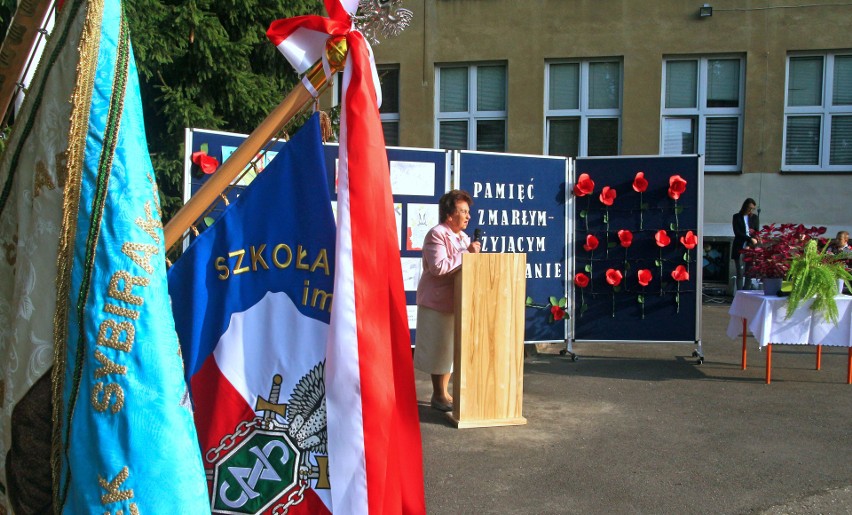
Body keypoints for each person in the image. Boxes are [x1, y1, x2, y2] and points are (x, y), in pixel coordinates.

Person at [413, 189, 481, 412]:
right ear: (449, 215)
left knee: (450, 350)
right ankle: (438, 394)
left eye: (468, 212)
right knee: (438, 350)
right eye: (463, 211)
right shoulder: (436, 234)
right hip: (436, 301)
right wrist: (467, 255)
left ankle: (444, 393)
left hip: (457, 301)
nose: (468, 216)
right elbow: (438, 267)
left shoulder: (463, 237)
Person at [732, 198, 760, 289]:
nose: (750, 210)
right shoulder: (736, 217)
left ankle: (746, 291)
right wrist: (749, 238)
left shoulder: (754, 218)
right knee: (739, 272)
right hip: (739, 245)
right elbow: (737, 232)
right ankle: (739, 293)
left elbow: (756, 233)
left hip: (750, 246)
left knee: (749, 272)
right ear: (745, 207)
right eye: (749, 208)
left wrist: (749, 244)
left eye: (753, 209)